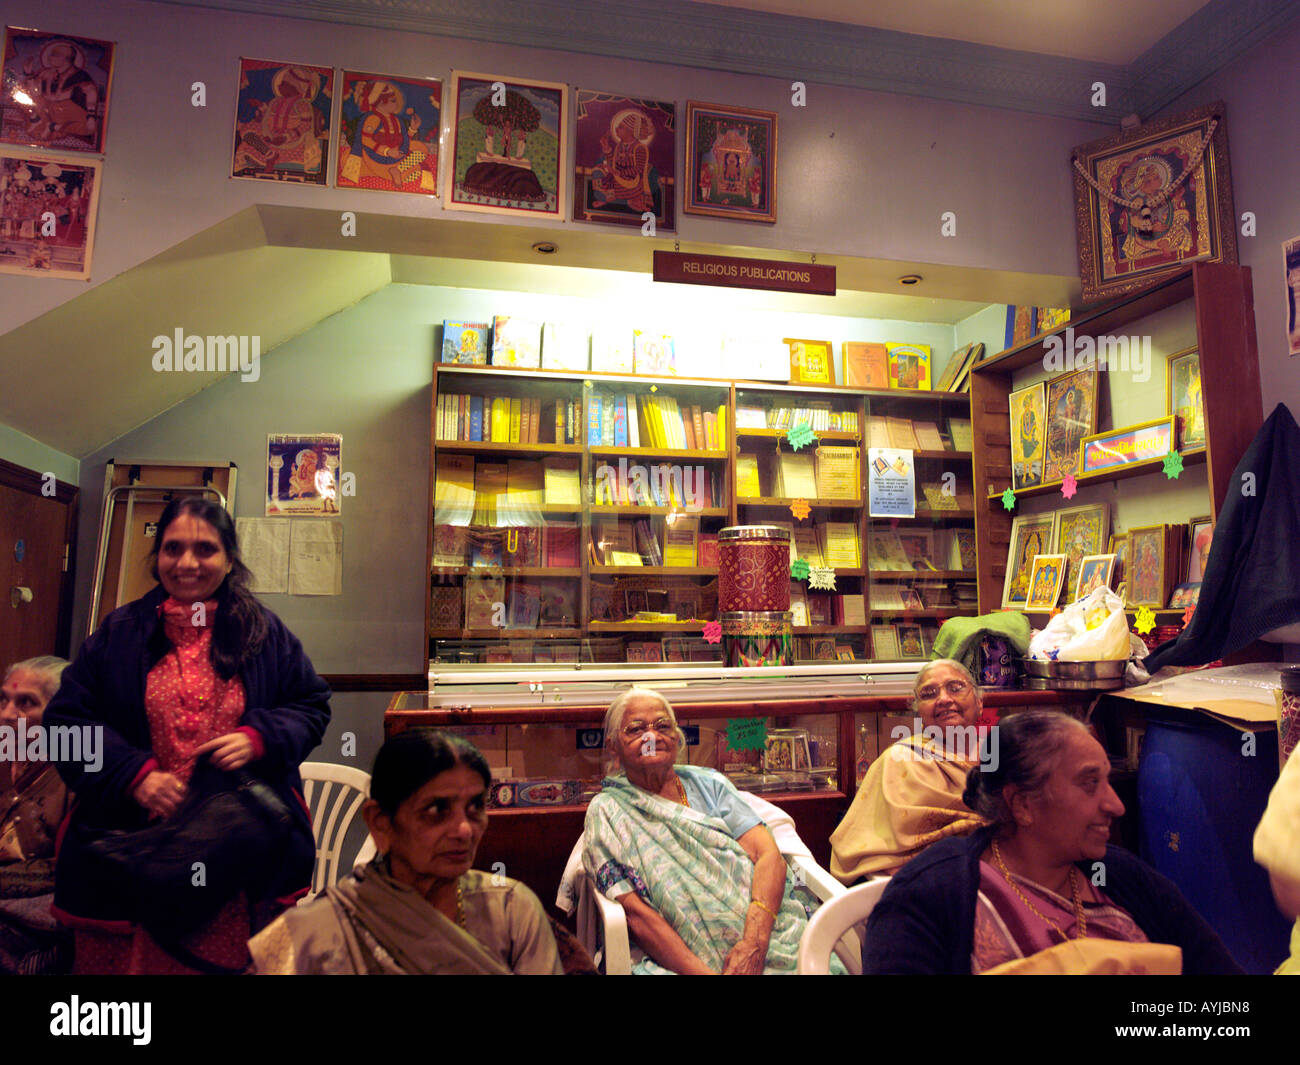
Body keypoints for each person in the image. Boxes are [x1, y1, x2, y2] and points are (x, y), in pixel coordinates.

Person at [44, 495, 331, 974]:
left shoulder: (264, 633)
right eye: (173, 548)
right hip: (129, 858)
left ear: (229, 558)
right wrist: (132, 776)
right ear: (157, 558)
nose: (187, 563)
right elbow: (65, 726)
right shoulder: (119, 633)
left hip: (233, 862)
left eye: (205, 549)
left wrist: (259, 738)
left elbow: (311, 705)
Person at [862, 710, 1241, 974]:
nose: (1116, 805)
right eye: (1090, 783)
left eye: (1108, 781)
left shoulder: (1122, 877)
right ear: (1023, 804)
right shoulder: (932, 895)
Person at [249, 729, 562, 974]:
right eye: (438, 809)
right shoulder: (316, 933)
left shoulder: (511, 910)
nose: (465, 829)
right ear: (380, 823)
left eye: (475, 807)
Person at [583, 687, 841, 974]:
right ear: (613, 746)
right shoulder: (607, 811)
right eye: (636, 728)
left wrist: (754, 943)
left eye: (662, 726)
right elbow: (638, 916)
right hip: (687, 961)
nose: (651, 736)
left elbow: (770, 857)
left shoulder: (710, 785)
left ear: (677, 738)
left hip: (767, 935)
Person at [830, 660, 988, 882]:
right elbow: (886, 858)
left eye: (955, 687)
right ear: (919, 712)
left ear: (979, 702)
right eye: (929, 693)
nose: (943, 699)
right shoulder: (900, 761)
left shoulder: (1005, 754)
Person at [0, 656, 72, 973]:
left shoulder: (78, 773)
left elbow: (71, 869)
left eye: (26, 703)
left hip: (40, 929)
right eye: (4, 699)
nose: (6, 715)